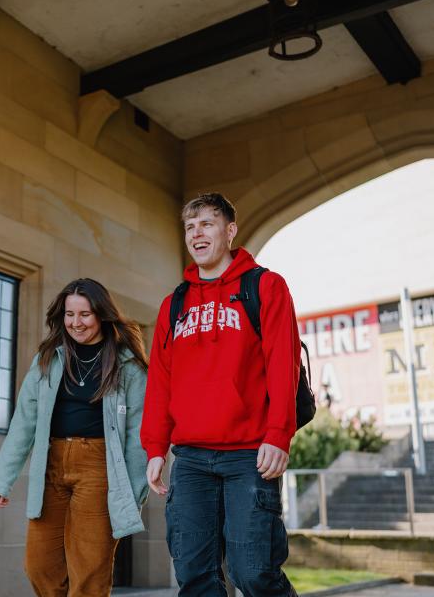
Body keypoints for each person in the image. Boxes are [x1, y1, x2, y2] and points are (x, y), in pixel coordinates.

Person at [141, 193, 301, 596]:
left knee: (254, 574)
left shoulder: (265, 286)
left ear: (230, 230)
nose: (197, 234)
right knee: (195, 578)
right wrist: (156, 447)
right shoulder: (173, 304)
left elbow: (284, 365)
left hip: (249, 456)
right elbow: (161, 380)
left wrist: (278, 433)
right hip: (191, 459)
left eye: (207, 224)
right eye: (190, 227)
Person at [0, 278, 149, 597]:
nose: (76, 323)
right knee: (39, 565)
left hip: (99, 468)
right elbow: (24, 421)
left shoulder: (127, 365)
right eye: (69, 314)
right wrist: (2, 479)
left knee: (90, 569)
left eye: (85, 314)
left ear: (102, 314)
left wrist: (133, 492)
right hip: (51, 466)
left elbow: (137, 434)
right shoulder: (49, 359)